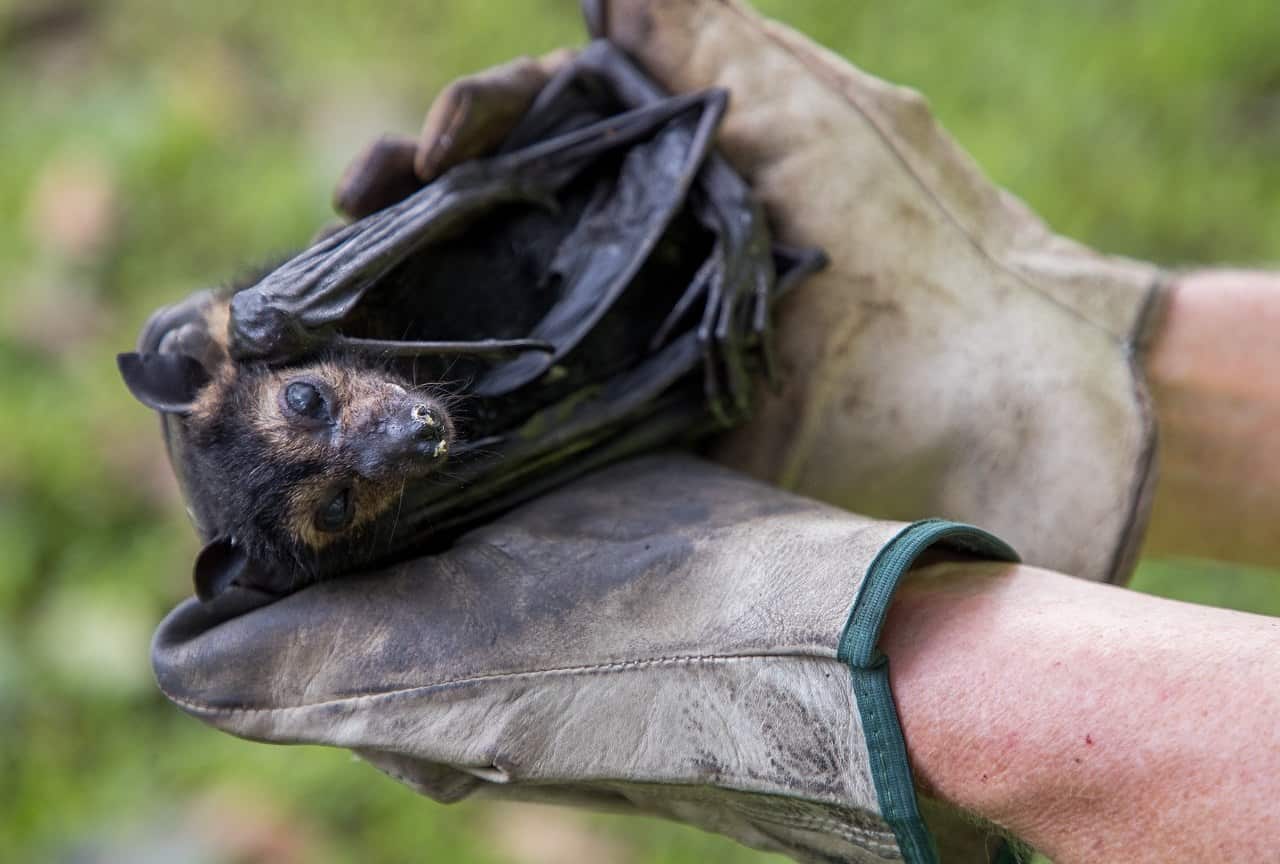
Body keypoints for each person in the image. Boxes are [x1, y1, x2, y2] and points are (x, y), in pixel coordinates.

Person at [150, 2, 1280, 863]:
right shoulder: (431, 500)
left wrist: (918, 680)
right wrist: (1108, 377)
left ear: (255, 359)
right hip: (645, 370)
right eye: (341, 504)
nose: (372, 447)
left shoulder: (302, 325)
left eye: (312, 408)